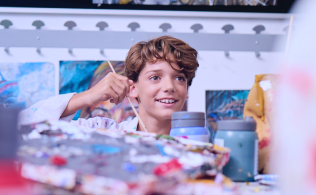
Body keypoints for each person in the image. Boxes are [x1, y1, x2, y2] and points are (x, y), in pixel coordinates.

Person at [19, 36, 199, 135]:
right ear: (133, 88)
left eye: (179, 78)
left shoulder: (198, 142)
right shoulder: (104, 133)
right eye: (155, 77)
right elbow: (19, 128)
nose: (169, 86)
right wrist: (85, 97)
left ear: (187, 90)